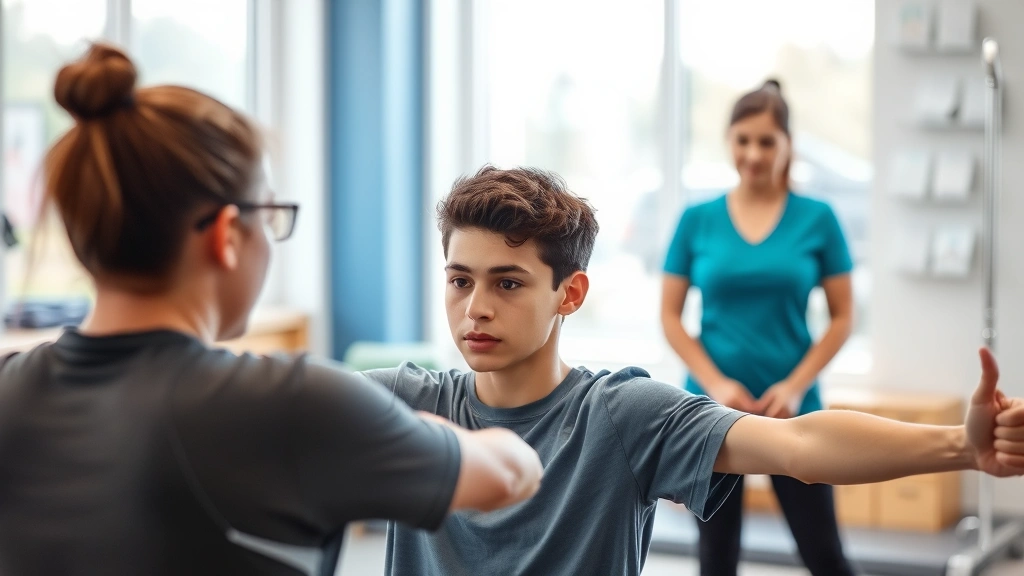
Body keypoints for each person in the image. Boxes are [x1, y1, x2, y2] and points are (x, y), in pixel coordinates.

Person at [0, 44, 543, 576]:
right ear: (226, 234)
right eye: (270, 215)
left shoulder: (11, 386)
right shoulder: (293, 405)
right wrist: (414, 430)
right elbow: (510, 474)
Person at [358, 164, 1024, 576]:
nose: (475, 309)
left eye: (507, 284)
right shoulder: (406, 403)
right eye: (458, 281)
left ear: (571, 293)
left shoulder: (618, 415)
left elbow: (799, 446)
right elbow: (261, 395)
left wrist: (960, 446)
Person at [660, 78, 858, 575]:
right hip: (712, 411)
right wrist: (717, 384)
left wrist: (795, 386)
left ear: (788, 144)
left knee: (825, 555)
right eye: (742, 140)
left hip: (793, 411)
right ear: (729, 141)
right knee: (716, 560)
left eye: (766, 141)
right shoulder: (696, 220)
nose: (753, 153)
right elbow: (670, 316)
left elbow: (842, 318)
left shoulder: (819, 218)